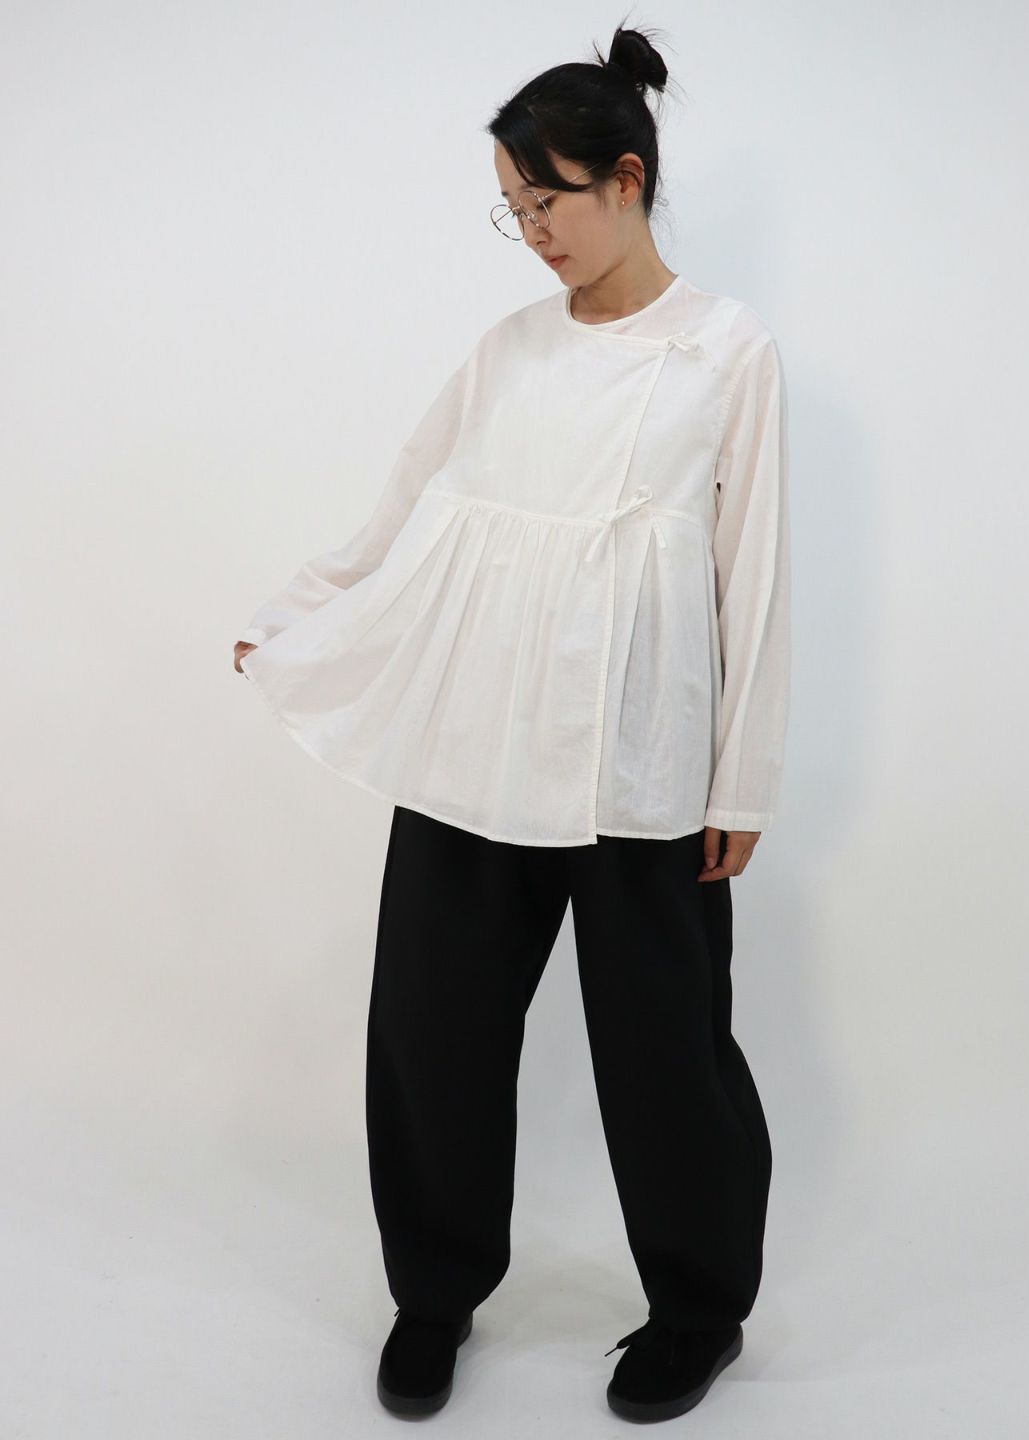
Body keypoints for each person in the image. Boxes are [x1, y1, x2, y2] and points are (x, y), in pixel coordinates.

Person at [233, 21, 790, 1425]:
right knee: (433, 1030)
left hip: (638, 761)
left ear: (626, 180)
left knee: (667, 1050)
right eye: (512, 208)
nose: (530, 232)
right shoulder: (509, 352)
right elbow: (405, 503)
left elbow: (757, 576)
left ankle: (697, 1311)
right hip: (475, 736)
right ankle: (433, 1296)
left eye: (545, 202)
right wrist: (302, 615)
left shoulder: (726, 354)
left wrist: (743, 779)